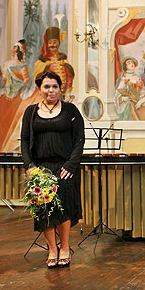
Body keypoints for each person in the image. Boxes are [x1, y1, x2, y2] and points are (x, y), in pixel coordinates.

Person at [21, 71, 85, 268]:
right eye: (47, 87)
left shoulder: (70, 110)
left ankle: (64, 247)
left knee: (63, 209)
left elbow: (79, 140)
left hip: (65, 167)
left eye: (54, 86)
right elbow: (24, 139)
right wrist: (29, 166)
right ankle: (52, 249)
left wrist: (71, 164)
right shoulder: (30, 112)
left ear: (60, 88)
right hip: (40, 168)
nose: (51, 90)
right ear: (40, 89)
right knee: (44, 210)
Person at [0, 40, 41, 152]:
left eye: (15, 47)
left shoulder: (22, 66)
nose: (13, 49)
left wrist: (19, 88)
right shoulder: (7, 65)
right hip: (7, 92)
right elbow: (4, 79)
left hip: (18, 93)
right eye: (13, 47)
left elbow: (26, 80)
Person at [33, 27, 75, 101]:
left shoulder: (64, 60)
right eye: (50, 43)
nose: (52, 45)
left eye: (55, 42)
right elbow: (39, 79)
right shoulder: (42, 62)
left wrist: (68, 91)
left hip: (62, 95)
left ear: (59, 43)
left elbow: (69, 76)